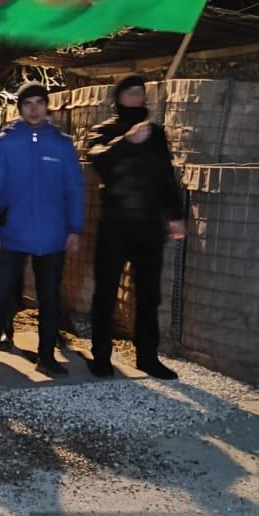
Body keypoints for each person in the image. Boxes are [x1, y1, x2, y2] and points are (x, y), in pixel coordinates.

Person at [0, 82, 86, 379]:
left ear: (47, 106)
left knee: (49, 299)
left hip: (52, 235)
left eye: (39, 102)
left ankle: (46, 357)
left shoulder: (62, 144)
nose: (34, 109)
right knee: (0, 297)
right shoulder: (4, 143)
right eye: (28, 103)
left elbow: (75, 189)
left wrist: (74, 228)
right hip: (11, 234)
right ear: (20, 108)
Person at [84, 73, 187, 380]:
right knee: (106, 291)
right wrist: (127, 141)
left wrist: (175, 213)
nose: (136, 97)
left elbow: (165, 175)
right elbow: (98, 161)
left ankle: (147, 356)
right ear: (118, 97)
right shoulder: (104, 130)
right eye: (130, 92)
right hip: (115, 222)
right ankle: (101, 356)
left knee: (149, 294)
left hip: (149, 224)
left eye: (140, 92)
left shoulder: (155, 133)